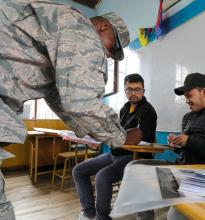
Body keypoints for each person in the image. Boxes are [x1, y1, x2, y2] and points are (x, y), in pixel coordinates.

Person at [0, 0, 137, 219]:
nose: (109, 55)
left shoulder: (59, 28)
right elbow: (81, 102)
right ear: (104, 27)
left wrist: (98, 131)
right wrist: (119, 136)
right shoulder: (82, 30)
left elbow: (61, 98)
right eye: (113, 47)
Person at [134, 72, 205, 220]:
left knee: (174, 216)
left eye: (189, 95)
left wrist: (188, 141)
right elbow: (186, 149)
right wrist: (177, 143)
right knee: (139, 171)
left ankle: (177, 203)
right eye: (185, 97)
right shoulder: (187, 117)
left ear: (204, 92)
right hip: (180, 170)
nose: (186, 100)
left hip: (203, 177)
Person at [73, 73, 157, 220]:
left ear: (144, 91)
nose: (133, 93)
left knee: (102, 177)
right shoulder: (124, 109)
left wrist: (108, 137)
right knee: (78, 171)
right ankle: (89, 212)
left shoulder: (148, 111)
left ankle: (102, 217)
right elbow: (116, 134)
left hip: (133, 157)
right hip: (115, 154)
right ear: (125, 91)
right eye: (129, 89)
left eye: (137, 89)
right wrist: (98, 136)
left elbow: (135, 140)